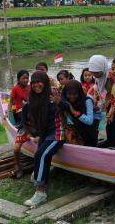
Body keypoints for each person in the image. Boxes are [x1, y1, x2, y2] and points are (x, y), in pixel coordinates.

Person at [24, 71, 65, 208]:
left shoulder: (53, 94)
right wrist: (36, 134)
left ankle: (40, 193)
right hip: (45, 133)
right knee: (42, 156)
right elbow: (35, 119)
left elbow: (67, 108)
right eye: (33, 82)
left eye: (39, 82)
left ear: (45, 82)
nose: (36, 85)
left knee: (40, 155)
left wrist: (60, 102)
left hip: (58, 131)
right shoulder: (34, 97)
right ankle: (41, 180)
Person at [58, 80, 100, 147]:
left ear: (79, 92)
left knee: (90, 142)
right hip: (77, 125)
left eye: (75, 94)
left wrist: (73, 111)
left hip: (90, 126)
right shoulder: (65, 101)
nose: (72, 97)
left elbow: (89, 121)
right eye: (69, 94)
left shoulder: (87, 100)